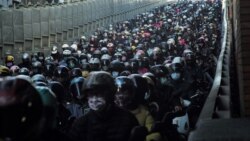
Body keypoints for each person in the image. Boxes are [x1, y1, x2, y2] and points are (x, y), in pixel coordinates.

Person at [69, 71, 139, 141]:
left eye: (99, 93)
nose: (94, 99)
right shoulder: (81, 124)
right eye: (91, 94)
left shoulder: (128, 119)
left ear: (110, 94)